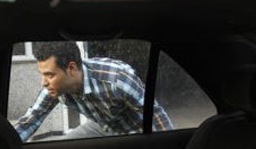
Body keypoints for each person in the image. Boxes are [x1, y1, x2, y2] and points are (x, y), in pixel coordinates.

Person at [14, 41, 173, 141]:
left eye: (50, 75)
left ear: (71, 68)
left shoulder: (117, 79)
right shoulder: (54, 87)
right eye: (42, 75)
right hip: (103, 126)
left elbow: (154, 113)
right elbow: (32, 118)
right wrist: (7, 147)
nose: (43, 82)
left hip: (134, 129)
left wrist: (168, 148)